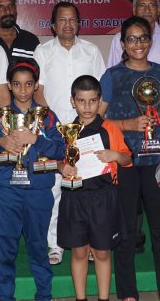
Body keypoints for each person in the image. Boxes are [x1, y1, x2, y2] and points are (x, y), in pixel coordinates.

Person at [99, 16, 160, 301]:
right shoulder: (113, 75)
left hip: (157, 159)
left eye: (143, 38)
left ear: (150, 41)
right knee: (126, 229)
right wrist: (127, 125)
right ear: (122, 43)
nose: (138, 44)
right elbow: (98, 119)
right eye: (131, 39)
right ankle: (127, 293)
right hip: (125, 161)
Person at [106, 0, 160, 257]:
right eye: (142, 5)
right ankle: (133, 240)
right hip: (129, 134)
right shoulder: (120, 38)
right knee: (128, 196)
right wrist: (126, 125)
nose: (147, 10)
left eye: (152, 5)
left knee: (159, 193)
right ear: (133, 8)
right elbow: (112, 86)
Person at [34, 1, 106, 265]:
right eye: (62, 20)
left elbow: (101, 91)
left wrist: (96, 126)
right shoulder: (42, 52)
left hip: (86, 130)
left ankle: (86, 244)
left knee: (85, 189)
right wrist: (53, 127)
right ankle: (55, 244)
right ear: (53, 25)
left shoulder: (91, 51)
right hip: (54, 132)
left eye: (72, 19)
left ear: (79, 23)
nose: (67, 24)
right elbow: (38, 91)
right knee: (54, 188)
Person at [0, 60, 65, 301]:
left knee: (37, 246)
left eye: (28, 84)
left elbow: (61, 150)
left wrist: (35, 139)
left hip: (38, 190)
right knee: (4, 249)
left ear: (35, 86)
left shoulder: (48, 117)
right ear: (9, 86)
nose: (23, 90)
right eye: (17, 84)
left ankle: (44, 295)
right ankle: (5, 297)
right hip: (6, 190)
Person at [58, 75, 132, 301]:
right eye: (81, 101)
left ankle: (103, 298)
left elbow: (128, 160)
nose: (87, 107)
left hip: (103, 198)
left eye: (92, 101)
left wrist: (115, 155)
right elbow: (52, 161)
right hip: (74, 198)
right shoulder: (66, 131)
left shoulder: (110, 129)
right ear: (73, 101)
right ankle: (81, 298)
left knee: (101, 252)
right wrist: (63, 168)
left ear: (100, 101)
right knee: (79, 252)